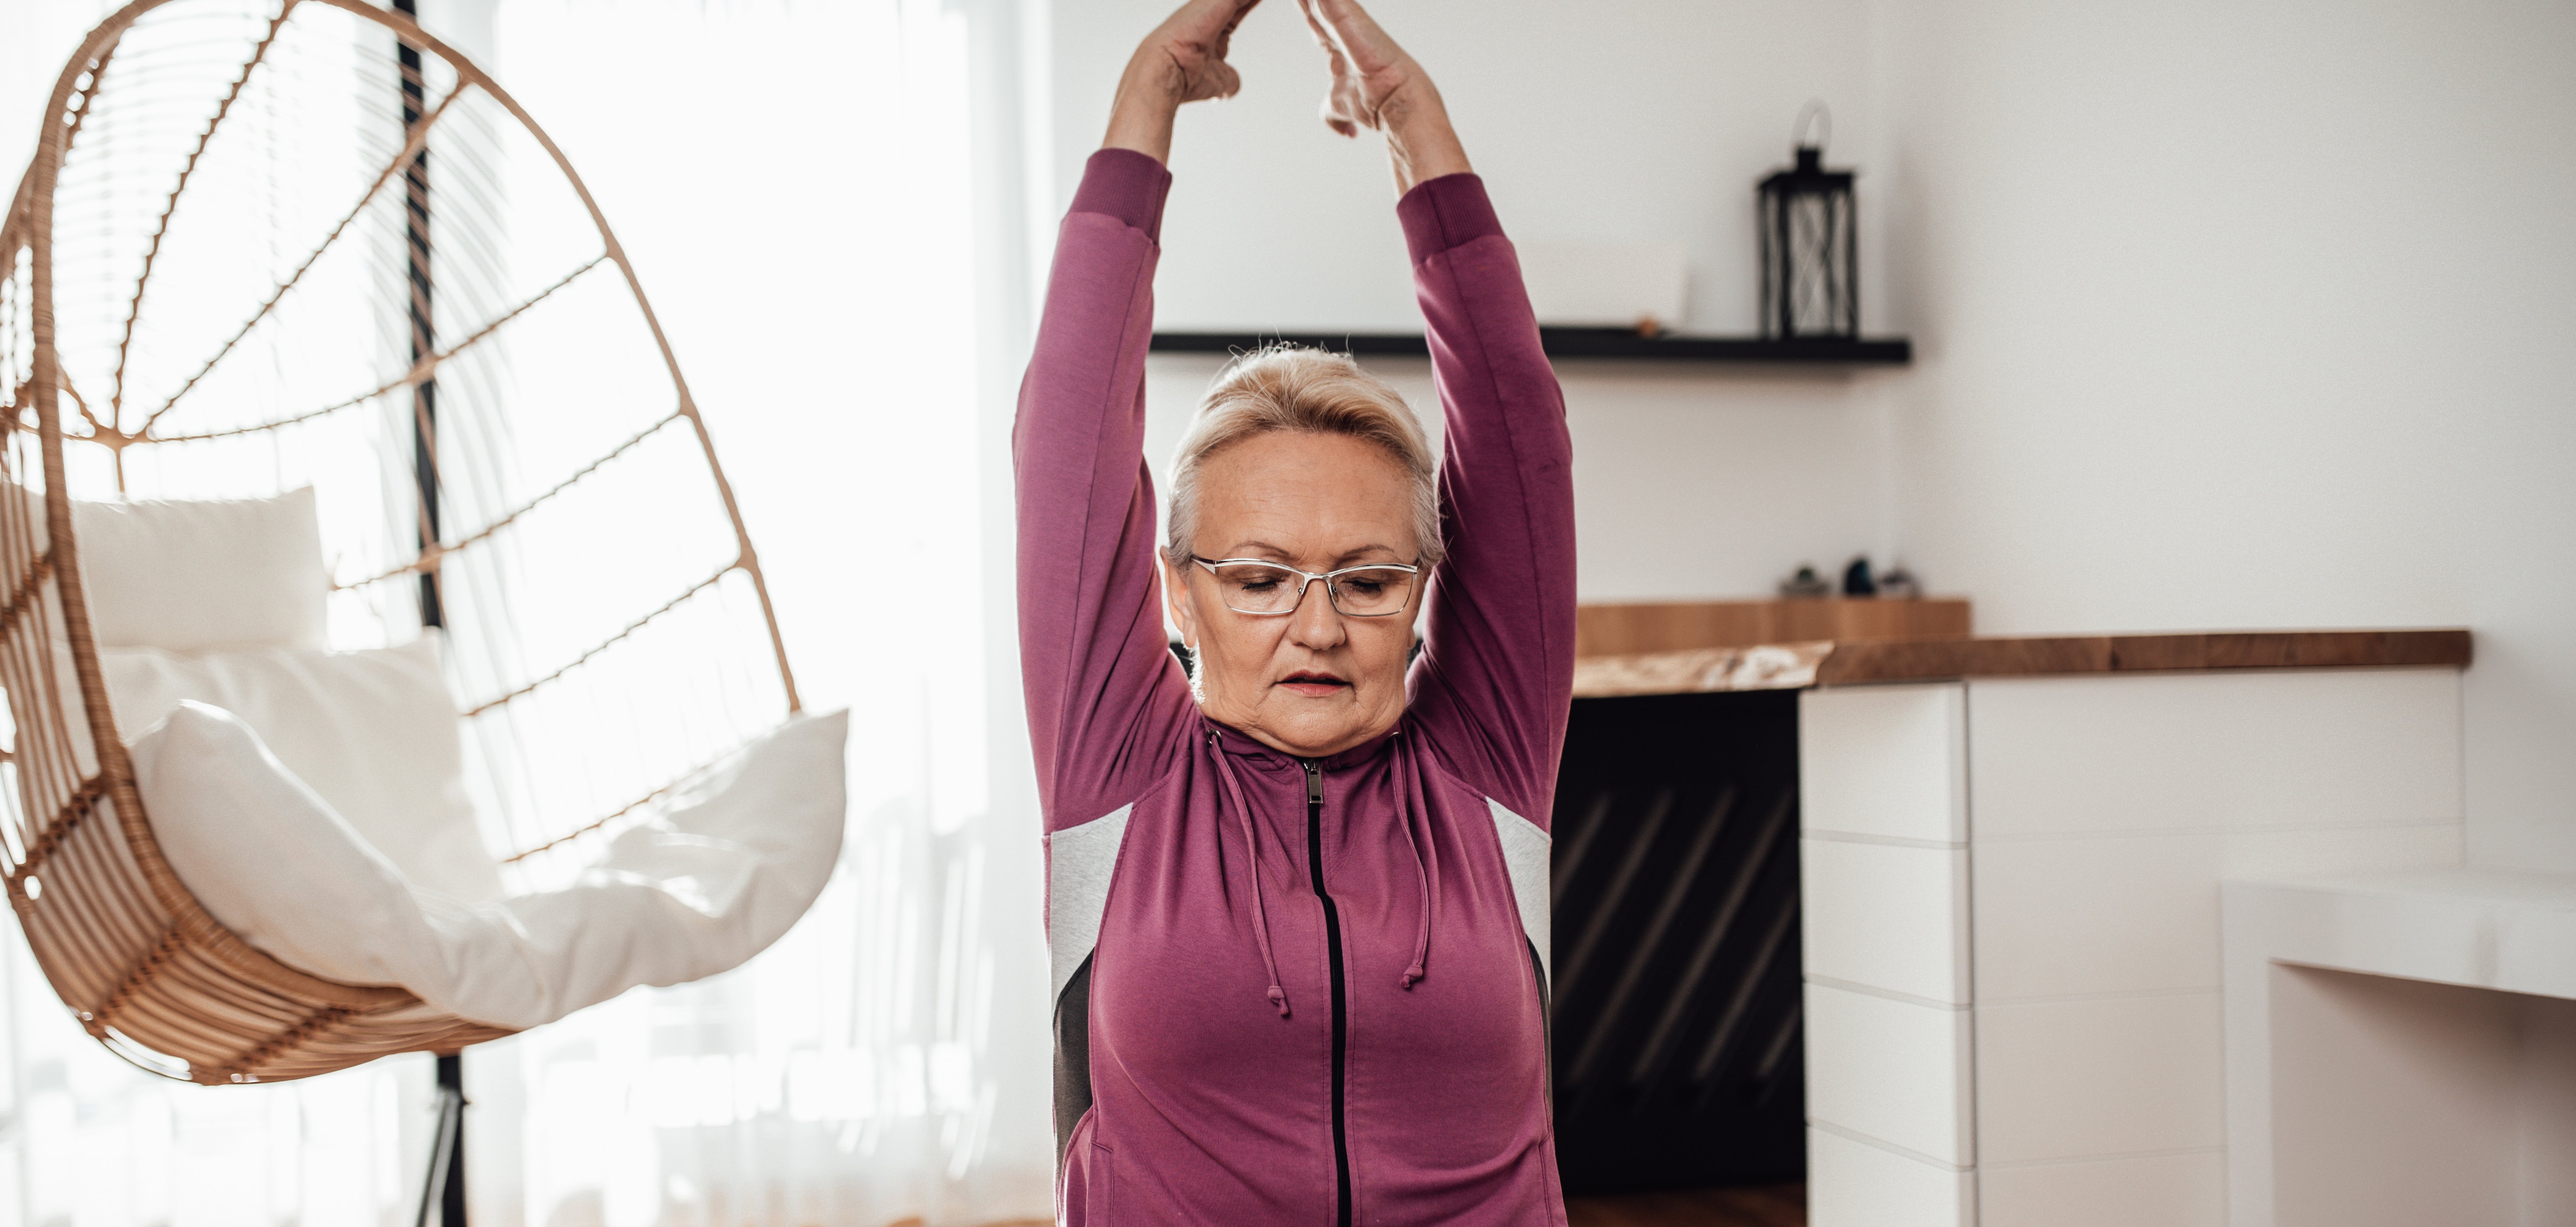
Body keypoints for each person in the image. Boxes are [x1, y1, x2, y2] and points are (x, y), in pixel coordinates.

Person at [1016, 0, 1574, 1220]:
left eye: (1368, 581)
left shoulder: (1482, 771)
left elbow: (1523, 441)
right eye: (1261, 578)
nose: (1316, 627)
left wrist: (1415, 129)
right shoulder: (1121, 776)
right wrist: (1144, 109)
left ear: (1424, 590)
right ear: (1178, 586)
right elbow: (1065, 443)